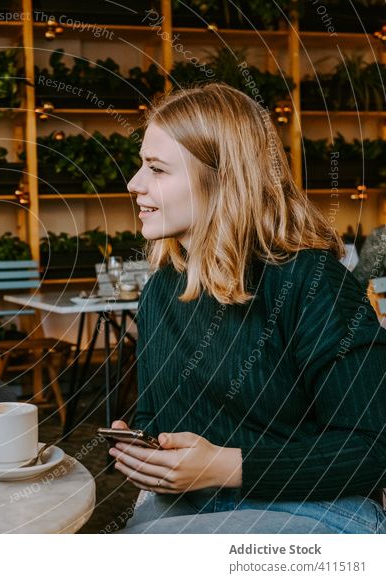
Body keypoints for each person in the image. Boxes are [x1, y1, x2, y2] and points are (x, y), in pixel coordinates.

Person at [111, 83, 386, 534]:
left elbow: (373, 448)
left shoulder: (311, 283)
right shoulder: (161, 292)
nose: (134, 183)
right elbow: (156, 419)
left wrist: (225, 467)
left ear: (222, 178)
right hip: (194, 505)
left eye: (156, 169)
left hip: (318, 509)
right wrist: (147, 450)